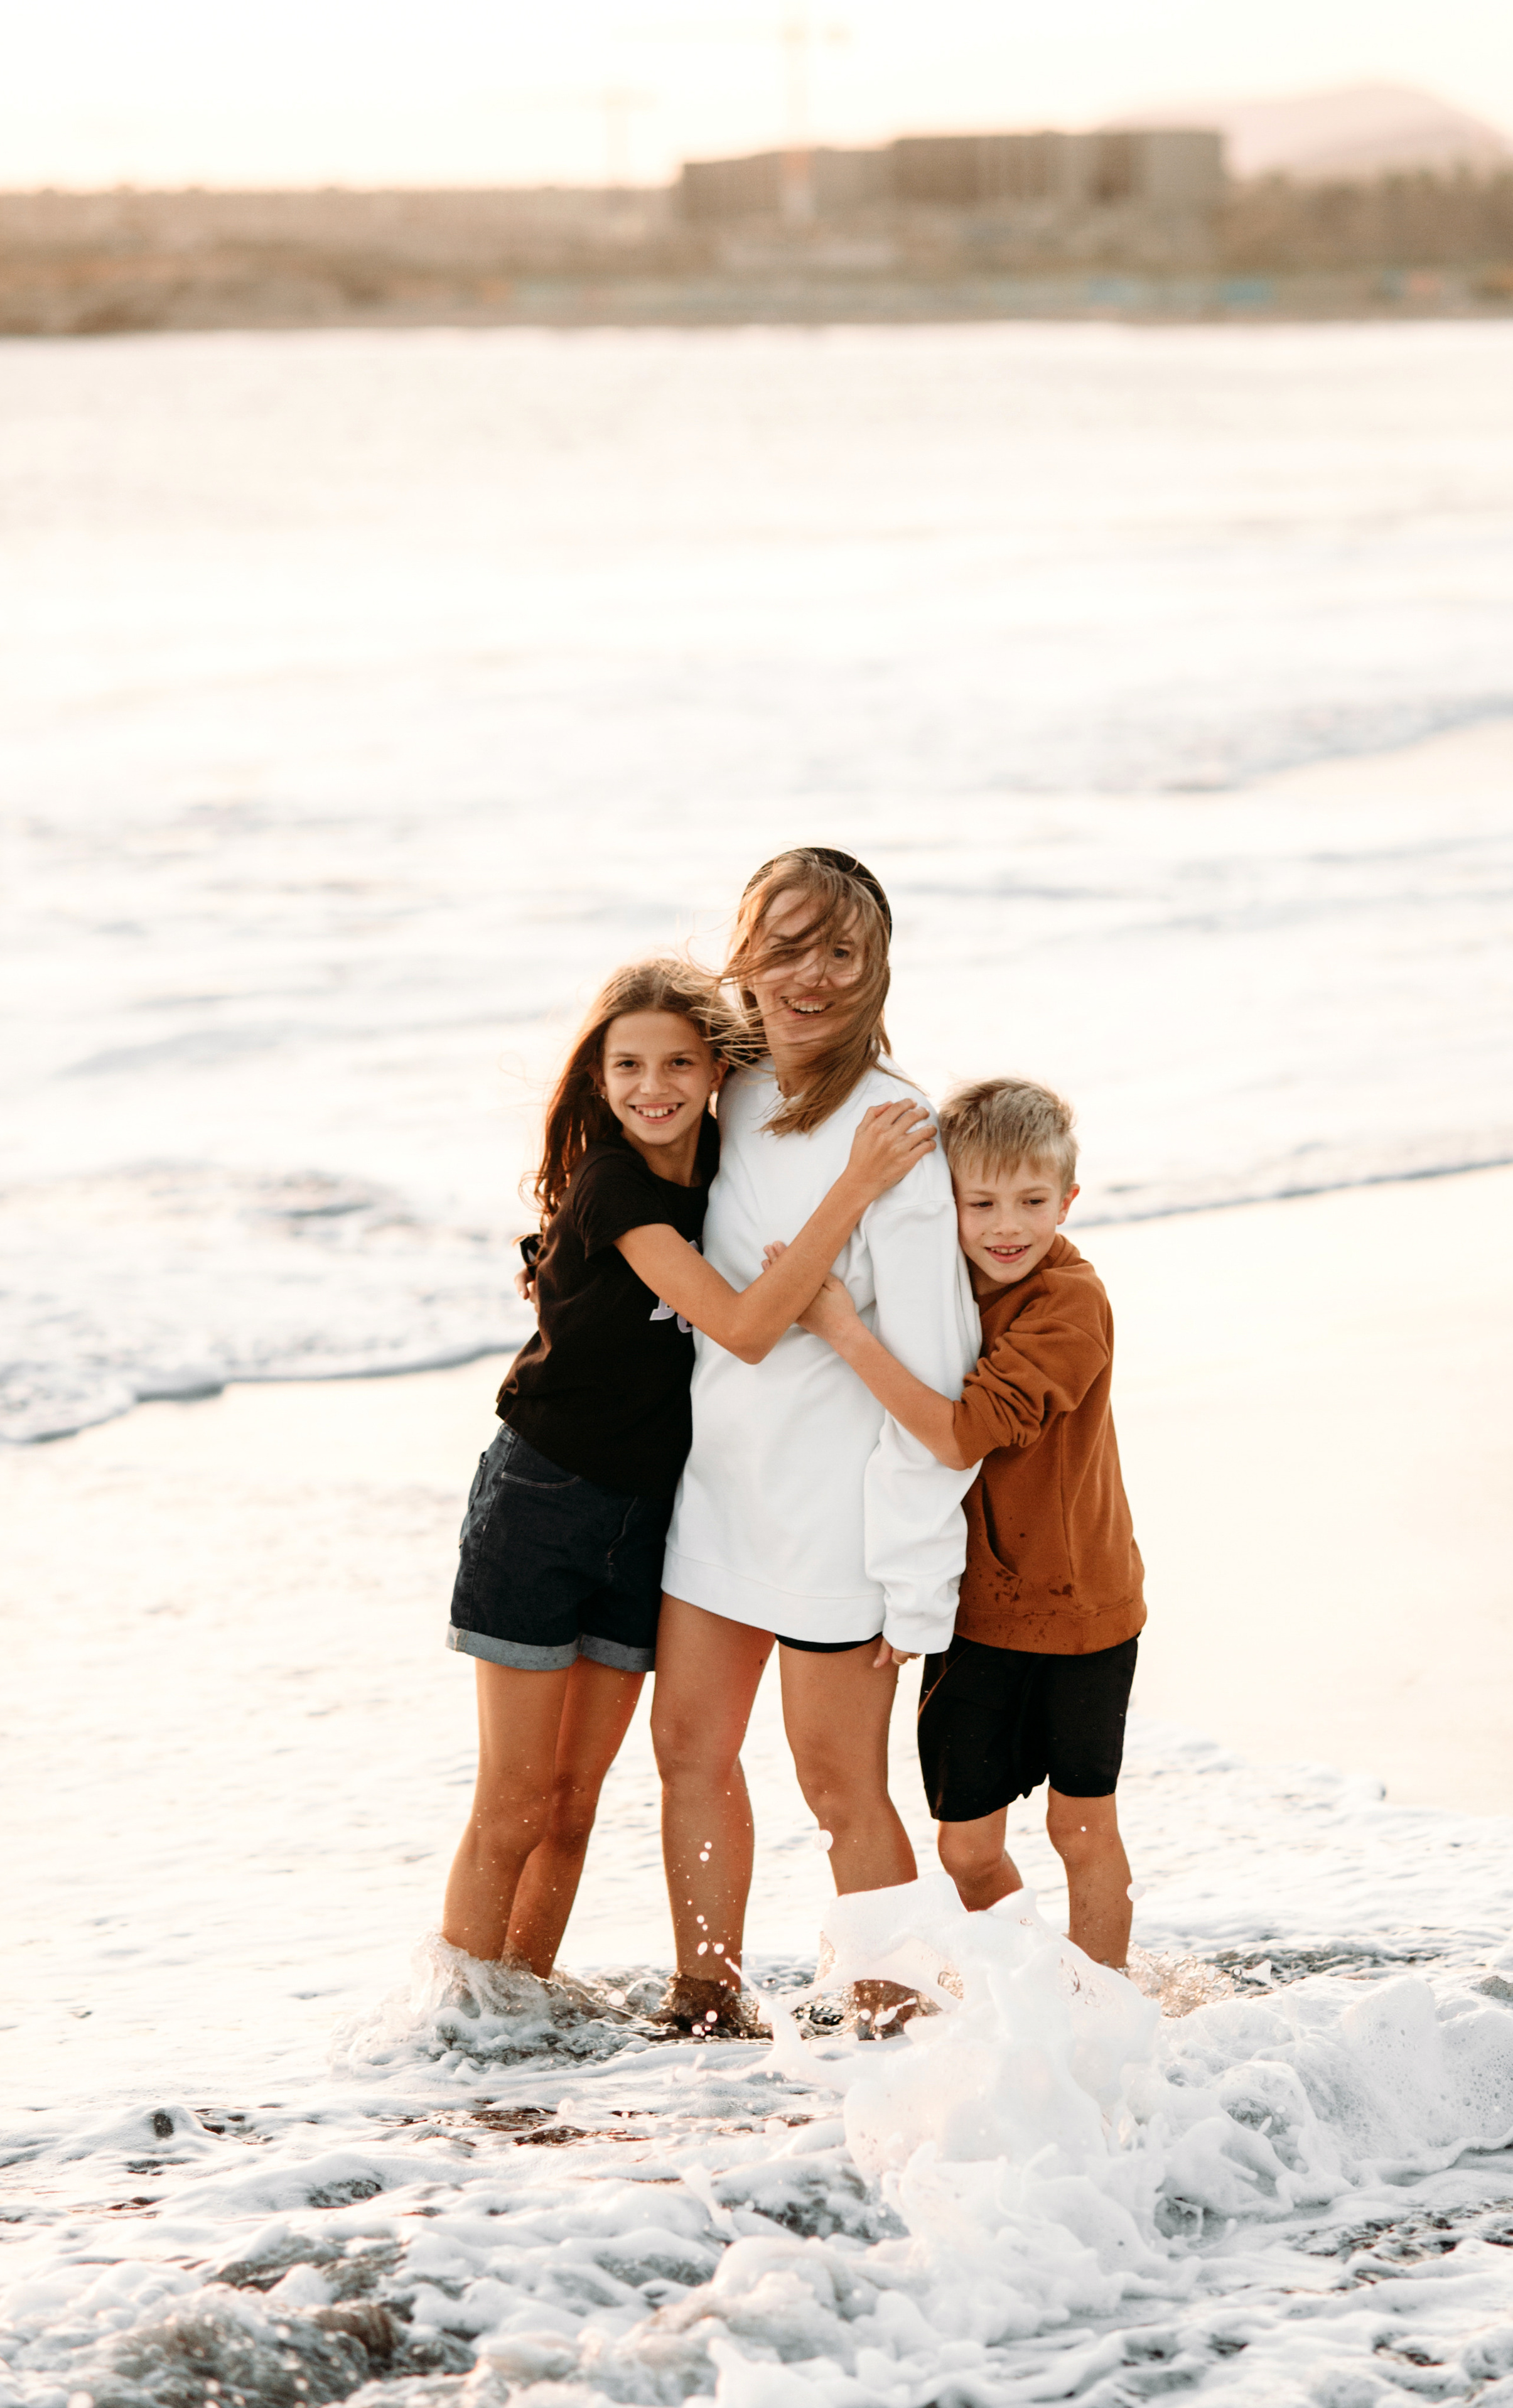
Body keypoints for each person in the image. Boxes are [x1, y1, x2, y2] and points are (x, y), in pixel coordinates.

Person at [440, 955, 934, 1976]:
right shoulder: (613, 1187)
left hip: (647, 1522)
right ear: (597, 1077)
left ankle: (517, 2014)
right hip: (542, 1504)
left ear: (719, 1070)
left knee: (575, 1804)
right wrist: (859, 1185)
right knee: (515, 1803)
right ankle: (453, 2027)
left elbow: (812, 1059)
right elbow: (750, 1325)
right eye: (627, 1066)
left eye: (676, 1062)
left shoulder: (723, 1157)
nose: (651, 1087)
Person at [652, 850, 981, 2034]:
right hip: (720, 1492)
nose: (814, 978)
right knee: (688, 1749)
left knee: (839, 1782)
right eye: (786, 948)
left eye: (842, 951)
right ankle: (706, 2000)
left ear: (877, 965)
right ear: (744, 951)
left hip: (840, 1517)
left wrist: (914, 1578)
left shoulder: (892, 1129)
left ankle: (894, 2016)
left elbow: (939, 1375)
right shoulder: (721, 1089)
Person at [797, 1077, 1145, 1968]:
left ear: (1069, 1200)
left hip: (1081, 1610)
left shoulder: (1071, 1306)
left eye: (1032, 1202)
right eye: (979, 1202)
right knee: (967, 1850)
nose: (1006, 1227)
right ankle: (1041, 1987)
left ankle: (1105, 2010)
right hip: (976, 1610)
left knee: (1080, 1827)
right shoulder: (940, 1287)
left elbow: (957, 1439)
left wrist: (840, 1328)